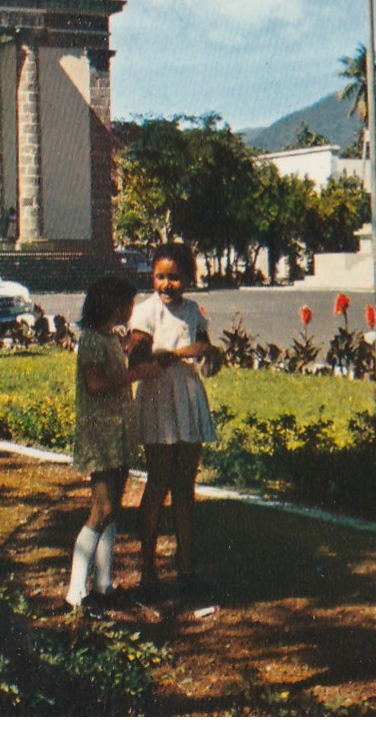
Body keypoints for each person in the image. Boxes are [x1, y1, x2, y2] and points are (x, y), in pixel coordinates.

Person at [66, 273, 161, 617]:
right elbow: (95, 383)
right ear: (113, 305)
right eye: (128, 304)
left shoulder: (109, 339)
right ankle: (76, 592)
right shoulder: (91, 341)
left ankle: (104, 585)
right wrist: (135, 375)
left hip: (116, 433)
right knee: (101, 510)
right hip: (100, 435)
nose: (131, 311)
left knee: (112, 510)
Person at [126, 243, 217, 600]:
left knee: (185, 485)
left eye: (175, 278)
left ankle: (186, 568)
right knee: (158, 481)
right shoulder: (145, 312)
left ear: (188, 279)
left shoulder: (193, 311)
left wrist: (210, 355)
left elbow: (206, 352)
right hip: (158, 399)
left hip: (188, 399)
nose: (166, 285)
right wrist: (181, 353)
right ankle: (148, 571)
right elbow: (138, 357)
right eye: (160, 277)